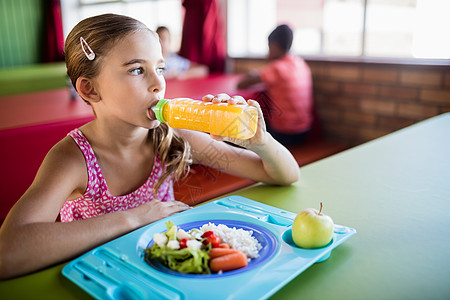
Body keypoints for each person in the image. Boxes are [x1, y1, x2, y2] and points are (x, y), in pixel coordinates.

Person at [0, 14, 299, 279]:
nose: (159, 84)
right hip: (101, 280)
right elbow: (8, 252)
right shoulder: (72, 158)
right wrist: (135, 216)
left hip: (162, 276)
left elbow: (284, 174)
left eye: (160, 67)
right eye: (136, 70)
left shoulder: (172, 134)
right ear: (90, 89)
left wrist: (260, 142)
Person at [237, 24, 314, 147]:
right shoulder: (300, 63)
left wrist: (254, 73)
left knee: (241, 132)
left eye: (269, 47)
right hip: (305, 130)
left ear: (274, 45)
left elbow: (241, 84)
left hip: (285, 134)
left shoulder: (276, 68)